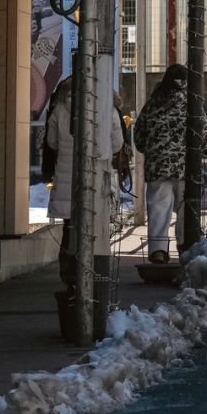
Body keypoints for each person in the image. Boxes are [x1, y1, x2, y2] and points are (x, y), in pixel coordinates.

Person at [43, 75, 126, 284]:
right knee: (94, 227)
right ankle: (90, 275)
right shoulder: (108, 108)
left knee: (69, 228)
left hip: (65, 180)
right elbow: (117, 144)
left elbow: (51, 142)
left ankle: (68, 272)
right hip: (97, 177)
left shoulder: (60, 110)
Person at [133, 63, 207, 264]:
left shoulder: (153, 102)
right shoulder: (192, 103)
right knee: (186, 208)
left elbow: (139, 136)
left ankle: (158, 251)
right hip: (185, 167)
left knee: (159, 209)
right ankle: (186, 247)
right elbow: (206, 135)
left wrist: (154, 151)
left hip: (157, 167)